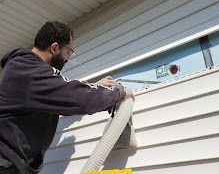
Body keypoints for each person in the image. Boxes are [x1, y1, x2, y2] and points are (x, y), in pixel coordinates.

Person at [0, 21, 134, 174]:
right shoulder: (28, 71)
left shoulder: (25, 70)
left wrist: (93, 86)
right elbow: (77, 98)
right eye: (68, 52)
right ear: (55, 48)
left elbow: (64, 93)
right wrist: (120, 93)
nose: (68, 58)